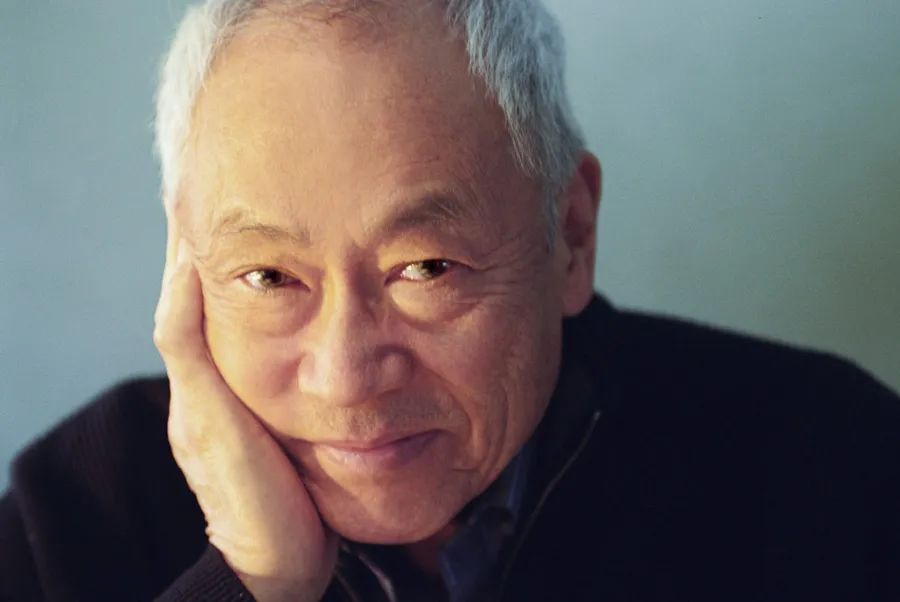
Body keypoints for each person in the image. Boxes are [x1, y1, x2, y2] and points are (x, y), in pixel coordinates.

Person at [2, 0, 898, 600]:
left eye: (425, 268)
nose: (346, 376)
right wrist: (250, 581)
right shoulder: (73, 515)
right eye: (270, 277)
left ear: (570, 234)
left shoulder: (836, 467)